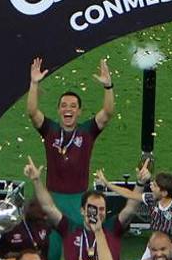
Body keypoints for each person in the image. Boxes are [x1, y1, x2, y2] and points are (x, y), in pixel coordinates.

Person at [25, 57, 115, 225]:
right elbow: (32, 112)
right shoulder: (49, 129)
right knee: (53, 245)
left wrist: (108, 86)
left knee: (76, 243)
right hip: (52, 198)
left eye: (73, 106)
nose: (68, 109)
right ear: (59, 110)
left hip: (78, 199)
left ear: (79, 111)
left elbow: (107, 113)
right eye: (64, 105)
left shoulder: (87, 131)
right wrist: (34, 84)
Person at [96, 163, 172, 252]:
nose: (151, 186)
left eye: (155, 185)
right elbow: (129, 194)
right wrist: (107, 184)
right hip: (155, 245)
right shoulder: (152, 199)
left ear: (164, 193)